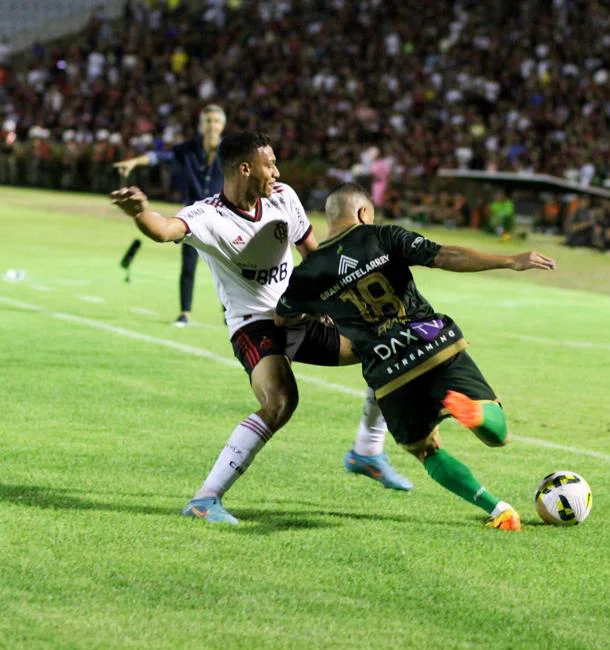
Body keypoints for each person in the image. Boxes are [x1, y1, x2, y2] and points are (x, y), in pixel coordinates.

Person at [111, 132, 412, 524]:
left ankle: (368, 451)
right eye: (270, 164)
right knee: (281, 401)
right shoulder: (209, 216)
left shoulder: (283, 197)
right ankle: (205, 500)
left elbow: (314, 254)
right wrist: (139, 213)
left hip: (300, 314)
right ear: (245, 168)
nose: (277, 171)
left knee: (389, 345)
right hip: (255, 326)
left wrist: (328, 302)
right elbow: (166, 228)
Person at [275, 183, 556, 532]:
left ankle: (499, 510)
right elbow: (444, 256)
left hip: (388, 371)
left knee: (427, 451)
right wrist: (511, 260)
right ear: (364, 213)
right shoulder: (383, 236)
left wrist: (319, 311)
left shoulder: (308, 273)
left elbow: (283, 317)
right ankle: (475, 412)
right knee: (496, 433)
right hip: (434, 345)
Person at [114, 105, 226, 328]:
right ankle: (184, 313)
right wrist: (135, 162)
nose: (211, 125)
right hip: (194, 217)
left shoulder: (230, 151)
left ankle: (229, 312)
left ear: (222, 125)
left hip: (223, 217)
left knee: (227, 267)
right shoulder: (188, 149)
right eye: (207, 120)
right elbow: (160, 157)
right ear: (200, 125)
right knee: (188, 266)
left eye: (215, 121)